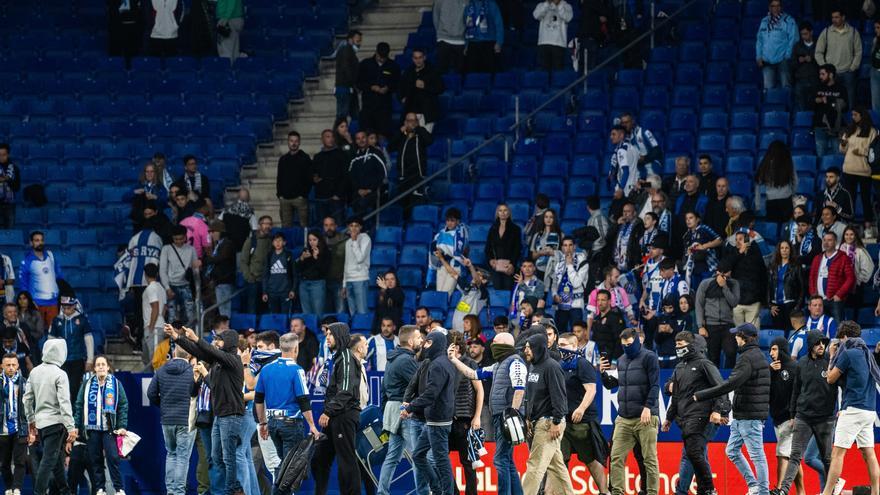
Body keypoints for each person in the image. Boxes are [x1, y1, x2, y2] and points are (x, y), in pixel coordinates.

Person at [167, 323, 244, 495]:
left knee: (228, 457)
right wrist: (177, 337)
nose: (217, 343)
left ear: (230, 343)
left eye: (220, 340)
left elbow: (211, 351)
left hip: (231, 415)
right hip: (219, 416)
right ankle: (228, 488)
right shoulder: (217, 362)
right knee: (216, 457)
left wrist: (196, 338)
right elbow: (198, 352)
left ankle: (232, 490)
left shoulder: (233, 360)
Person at [695, 323, 771, 495]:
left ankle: (763, 491)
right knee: (732, 451)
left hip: (749, 416)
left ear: (743, 337)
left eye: (737, 335)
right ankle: (754, 486)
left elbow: (730, 384)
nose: (734, 337)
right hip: (742, 415)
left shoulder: (748, 358)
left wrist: (703, 394)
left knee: (757, 456)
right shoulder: (756, 355)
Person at [448, 332, 525, 495]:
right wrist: (454, 360)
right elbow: (473, 374)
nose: (492, 345)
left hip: (507, 417)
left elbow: (520, 389)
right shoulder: (498, 365)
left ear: (504, 344)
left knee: (500, 460)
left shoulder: (515, 362)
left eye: (495, 342)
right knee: (508, 461)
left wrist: (513, 413)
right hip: (500, 417)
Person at [662, 331, 730, 495]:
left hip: (702, 416)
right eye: (676, 344)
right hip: (685, 418)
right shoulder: (679, 367)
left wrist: (717, 411)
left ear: (690, 345)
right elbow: (676, 397)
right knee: (696, 454)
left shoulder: (704, 364)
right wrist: (669, 418)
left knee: (692, 452)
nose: (677, 347)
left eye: (680, 344)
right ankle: (703, 490)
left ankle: (706, 489)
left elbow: (721, 388)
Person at [771, 330, 837, 495]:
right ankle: (784, 490)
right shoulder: (801, 363)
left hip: (825, 419)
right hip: (803, 417)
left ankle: (832, 489)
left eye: (823, 342)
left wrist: (840, 408)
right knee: (795, 456)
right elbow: (796, 391)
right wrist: (793, 415)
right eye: (817, 343)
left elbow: (841, 386)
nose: (821, 345)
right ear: (810, 345)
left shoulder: (830, 362)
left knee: (827, 459)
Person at [821, 321, 880, 495]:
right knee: (869, 454)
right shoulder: (867, 353)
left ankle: (826, 493)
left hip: (853, 409)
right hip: (869, 410)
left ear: (845, 337)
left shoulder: (848, 353)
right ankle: (876, 492)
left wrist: (832, 355)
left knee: (837, 454)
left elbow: (830, 378)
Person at [254, 332, 320, 487]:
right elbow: (303, 400)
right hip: (290, 423)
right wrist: (312, 425)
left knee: (284, 466)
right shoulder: (296, 370)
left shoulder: (266, 369)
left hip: (272, 423)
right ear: (295, 348)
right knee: (290, 471)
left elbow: (258, 399)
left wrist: (263, 423)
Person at [599, 328, 660, 495]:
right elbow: (613, 385)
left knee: (649, 459)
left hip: (645, 417)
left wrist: (648, 407)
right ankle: (617, 492)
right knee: (616, 457)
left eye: (629, 344)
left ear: (637, 341)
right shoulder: (621, 360)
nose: (627, 347)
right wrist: (603, 374)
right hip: (624, 418)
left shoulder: (649, 357)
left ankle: (652, 492)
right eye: (624, 345)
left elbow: (655, 385)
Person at [518, 333, 574, 495]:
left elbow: (560, 397)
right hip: (538, 420)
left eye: (529, 347)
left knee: (535, 465)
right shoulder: (534, 366)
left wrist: (557, 421)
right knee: (557, 468)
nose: (526, 350)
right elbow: (532, 396)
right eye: (526, 347)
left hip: (549, 422)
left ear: (539, 348)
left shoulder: (552, 367)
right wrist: (528, 417)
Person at [402, 332, 457, 495]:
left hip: (438, 421)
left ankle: (446, 493)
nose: (424, 346)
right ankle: (437, 488)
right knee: (418, 455)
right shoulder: (442, 362)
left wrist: (410, 407)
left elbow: (431, 394)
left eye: (427, 343)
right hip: (434, 419)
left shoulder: (438, 365)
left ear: (435, 344)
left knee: (441, 461)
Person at [312, 323, 363, 495]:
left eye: (331, 335)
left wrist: (328, 411)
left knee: (346, 460)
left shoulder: (347, 357)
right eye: (326, 334)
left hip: (345, 414)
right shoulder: (336, 357)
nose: (327, 338)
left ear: (340, 336)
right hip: (334, 415)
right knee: (319, 460)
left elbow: (346, 390)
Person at [23, 340, 77, 495]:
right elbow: (64, 402)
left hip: (41, 424)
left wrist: (31, 420)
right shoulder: (61, 374)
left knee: (56, 460)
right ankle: (39, 492)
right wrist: (71, 427)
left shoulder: (34, 372)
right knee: (48, 461)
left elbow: (26, 400)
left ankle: (65, 491)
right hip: (56, 423)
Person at [556, 333, 607, 493]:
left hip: (582, 422)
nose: (560, 348)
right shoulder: (558, 364)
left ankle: (604, 492)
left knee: (591, 460)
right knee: (560, 462)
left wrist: (581, 408)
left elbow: (591, 390)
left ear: (575, 346)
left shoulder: (583, 364)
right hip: (563, 422)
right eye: (559, 344)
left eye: (564, 345)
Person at [377, 326, 423, 495]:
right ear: (410, 341)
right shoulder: (405, 360)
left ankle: (382, 492)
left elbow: (383, 390)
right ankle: (423, 492)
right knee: (418, 457)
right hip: (404, 411)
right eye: (419, 338)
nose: (421, 341)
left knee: (393, 456)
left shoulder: (393, 358)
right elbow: (420, 386)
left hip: (392, 410)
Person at [73, 355, 128, 495]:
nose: (101, 367)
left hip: (110, 428)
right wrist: (77, 426)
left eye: (103, 364)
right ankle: (100, 488)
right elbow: (79, 405)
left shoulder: (116, 384)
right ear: (94, 369)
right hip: (92, 428)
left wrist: (122, 425)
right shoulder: (87, 384)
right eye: (98, 365)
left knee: (113, 457)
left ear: (108, 367)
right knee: (95, 458)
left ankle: (119, 488)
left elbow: (123, 405)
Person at [147, 344, 196, 495]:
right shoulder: (191, 371)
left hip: (167, 419)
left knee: (171, 454)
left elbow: (151, 393)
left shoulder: (161, 370)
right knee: (182, 457)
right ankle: (179, 492)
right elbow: (196, 393)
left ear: (174, 352)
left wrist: (163, 406)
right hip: (185, 420)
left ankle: (171, 491)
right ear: (189, 356)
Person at [768, 337, 803, 495]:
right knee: (791, 456)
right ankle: (801, 491)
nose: (771, 353)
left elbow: (800, 394)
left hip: (790, 419)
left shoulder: (795, 368)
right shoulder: (771, 369)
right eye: (770, 350)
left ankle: (780, 489)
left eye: (774, 349)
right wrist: (770, 372)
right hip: (777, 418)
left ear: (782, 349)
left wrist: (795, 414)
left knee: (782, 454)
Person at [695, 257, 741, 368]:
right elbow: (699, 305)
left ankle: (730, 379)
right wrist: (701, 326)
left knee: (731, 352)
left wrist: (724, 286)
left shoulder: (734, 284)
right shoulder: (705, 283)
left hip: (728, 325)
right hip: (711, 325)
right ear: (717, 271)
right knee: (712, 357)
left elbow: (734, 302)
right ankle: (714, 382)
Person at [840, 109, 877, 236]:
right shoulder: (850, 129)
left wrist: (860, 152)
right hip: (848, 169)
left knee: (866, 198)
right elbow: (843, 150)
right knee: (850, 198)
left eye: (855, 114)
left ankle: (868, 227)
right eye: (852, 114)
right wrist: (843, 144)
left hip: (864, 170)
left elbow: (874, 151)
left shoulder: (872, 131)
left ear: (862, 115)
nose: (853, 117)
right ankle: (849, 227)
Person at [49, 295, 94, 399]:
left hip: (77, 359)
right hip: (60, 360)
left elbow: (89, 340)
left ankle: (73, 412)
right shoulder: (57, 320)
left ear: (74, 306)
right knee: (60, 387)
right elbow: (50, 341)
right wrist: (50, 359)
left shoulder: (82, 319)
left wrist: (90, 360)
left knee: (74, 387)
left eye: (68, 307)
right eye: (64, 307)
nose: (66, 309)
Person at [815, 9, 861, 107]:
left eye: (836, 17)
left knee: (849, 102)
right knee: (831, 103)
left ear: (843, 17)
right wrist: (825, 68)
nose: (834, 20)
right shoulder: (826, 31)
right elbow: (818, 52)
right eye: (832, 17)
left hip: (848, 73)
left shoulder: (853, 32)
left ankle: (849, 121)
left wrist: (852, 68)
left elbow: (858, 52)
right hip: (831, 74)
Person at [388, 113, 434, 213]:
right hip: (403, 177)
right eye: (409, 121)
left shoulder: (420, 135)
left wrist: (418, 128)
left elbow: (429, 140)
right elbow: (390, 147)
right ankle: (404, 227)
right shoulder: (402, 137)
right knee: (403, 206)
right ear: (405, 122)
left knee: (415, 205)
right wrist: (400, 132)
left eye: (414, 121)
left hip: (417, 176)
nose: (411, 123)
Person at [17, 232, 62, 328]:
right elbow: (23, 285)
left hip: (53, 302)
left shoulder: (51, 256)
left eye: (41, 240)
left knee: (54, 334)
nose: (40, 243)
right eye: (37, 240)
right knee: (37, 333)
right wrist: (30, 302)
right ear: (31, 243)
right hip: (36, 303)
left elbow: (59, 276)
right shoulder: (27, 261)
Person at [357, 42, 400, 139]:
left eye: (384, 57)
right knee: (367, 133)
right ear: (376, 52)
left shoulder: (393, 66)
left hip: (384, 108)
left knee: (383, 134)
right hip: (368, 106)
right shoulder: (365, 64)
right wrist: (371, 87)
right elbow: (359, 83)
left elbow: (397, 84)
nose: (381, 59)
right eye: (380, 56)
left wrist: (388, 88)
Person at [808, 232, 853, 321]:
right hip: (819, 301)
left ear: (835, 242)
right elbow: (812, 278)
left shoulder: (843, 258)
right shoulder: (817, 258)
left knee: (838, 328)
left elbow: (850, 278)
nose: (826, 243)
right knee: (821, 328)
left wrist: (839, 294)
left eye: (829, 240)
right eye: (824, 240)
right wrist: (813, 293)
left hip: (834, 301)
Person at [160, 225, 199, 325]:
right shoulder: (166, 249)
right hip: (171, 286)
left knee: (189, 316)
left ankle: (189, 339)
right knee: (172, 317)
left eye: (181, 239)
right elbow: (162, 270)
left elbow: (195, 270)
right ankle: (172, 339)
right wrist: (167, 288)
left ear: (185, 237)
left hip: (186, 285)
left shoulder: (191, 249)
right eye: (176, 239)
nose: (178, 241)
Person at [549, 237, 590, 332]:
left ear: (575, 246)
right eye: (565, 245)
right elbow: (555, 282)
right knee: (560, 333)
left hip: (576, 304)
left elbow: (576, 283)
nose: (568, 248)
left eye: (570, 245)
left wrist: (570, 265)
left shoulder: (583, 261)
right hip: (561, 304)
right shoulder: (559, 263)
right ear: (562, 248)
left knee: (576, 334)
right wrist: (554, 294)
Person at [755, 0, 798, 89]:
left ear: (781, 7)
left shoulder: (789, 20)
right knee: (768, 89)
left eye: (778, 6)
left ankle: (786, 102)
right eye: (773, 6)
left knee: (786, 87)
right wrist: (759, 56)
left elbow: (794, 39)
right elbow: (759, 40)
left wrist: (787, 56)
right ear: (769, 8)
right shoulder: (764, 21)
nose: (776, 8)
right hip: (766, 60)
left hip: (783, 59)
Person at [0, 352, 26, 495]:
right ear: (2, 366)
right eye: (7, 365)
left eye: (13, 365)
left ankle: (17, 488)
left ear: (17, 366)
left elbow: (30, 408)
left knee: (20, 461)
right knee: (4, 463)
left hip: (19, 427)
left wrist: (31, 429)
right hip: (2, 428)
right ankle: (9, 487)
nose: (10, 367)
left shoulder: (24, 382)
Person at [399, 50, 444, 130]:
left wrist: (425, 86)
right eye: (415, 58)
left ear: (424, 58)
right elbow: (400, 88)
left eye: (420, 57)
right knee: (410, 139)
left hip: (427, 112)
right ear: (412, 59)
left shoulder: (432, 71)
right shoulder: (408, 72)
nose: (418, 60)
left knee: (425, 139)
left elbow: (440, 88)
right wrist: (402, 97)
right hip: (411, 111)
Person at [276, 131, 313, 229]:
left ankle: (305, 244)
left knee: (304, 227)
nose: (293, 143)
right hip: (285, 199)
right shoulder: (283, 159)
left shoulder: (305, 158)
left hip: (300, 199)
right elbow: (279, 178)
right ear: (288, 142)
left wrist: (303, 194)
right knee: (285, 227)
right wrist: (280, 195)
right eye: (291, 141)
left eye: (296, 141)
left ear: (299, 142)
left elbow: (309, 178)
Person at [755, 141, 798, 222]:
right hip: (786, 200)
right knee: (786, 228)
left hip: (771, 202)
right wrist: (793, 193)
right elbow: (795, 180)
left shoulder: (765, 163)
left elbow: (757, 184)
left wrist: (758, 205)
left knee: (772, 227)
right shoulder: (788, 161)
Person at [348, 131, 388, 218]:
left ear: (367, 139)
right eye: (358, 138)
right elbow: (351, 177)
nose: (361, 140)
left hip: (375, 191)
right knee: (353, 203)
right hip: (359, 192)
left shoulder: (376, 153)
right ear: (355, 141)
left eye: (363, 137)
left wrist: (370, 189)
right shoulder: (354, 157)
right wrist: (358, 190)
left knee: (363, 205)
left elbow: (383, 173)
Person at [312, 131, 348, 225]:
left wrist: (338, 194)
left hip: (336, 198)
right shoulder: (317, 157)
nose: (330, 139)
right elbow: (314, 174)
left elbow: (345, 176)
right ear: (322, 139)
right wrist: (314, 178)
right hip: (321, 198)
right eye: (327, 137)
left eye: (332, 137)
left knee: (338, 225)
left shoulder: (341, 155)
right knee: (321, 226)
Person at [238, 216, 272, 315]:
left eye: (270, 224)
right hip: (253, 280)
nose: (268, 226)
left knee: (264, 308)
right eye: (265, 224)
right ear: (259, 225)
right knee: (252, 308)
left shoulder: (271, 241)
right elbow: (243, 261)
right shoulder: (251, 241)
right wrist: (249, 277)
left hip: (267, 280)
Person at [768, 240, 805, 331]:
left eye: (786, 248)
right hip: (776, 307)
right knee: (778, 335)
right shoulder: (773, 266)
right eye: (782, 248)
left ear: (790, 250)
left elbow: (802, 288)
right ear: (779, 250)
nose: (784, 250)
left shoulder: (796, 266)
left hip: (790, 305)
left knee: (790, 333)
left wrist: (797, 307)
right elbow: (768, 287)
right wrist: (770, 305)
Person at [813, 64, 849, 157]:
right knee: (821, 157)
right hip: (820, 126)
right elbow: (810, 103)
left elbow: (846, 107)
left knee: (838, 156)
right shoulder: (817, 87)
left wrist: (833, 102)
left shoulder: (841, 88)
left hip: (837, 127)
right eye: (820, 74)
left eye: (823, 74)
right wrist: (819, 100)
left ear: (831, 75)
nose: (820, 76)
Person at [485, 203, 522, 291]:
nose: (503, 213)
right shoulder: (493, 229)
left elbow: (517, 249)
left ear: (509, 213)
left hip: (509, 266)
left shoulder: (516, 229)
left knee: (508, 290)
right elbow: (487, 248)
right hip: (496, 266)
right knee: (497, 291)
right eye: (500, 210)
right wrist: (490, 260)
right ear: (497, 213)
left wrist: (512, 264)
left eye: (505, 210)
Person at [841, 225, 876, 318]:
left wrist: (858, 279)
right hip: (841, 286)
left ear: (856, 236)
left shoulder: (860, 250)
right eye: (846, 234)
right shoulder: (839, 249)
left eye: (851, 234)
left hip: (855, 286)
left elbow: (868, 267)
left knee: (854, 311)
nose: (849, 237)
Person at [433, 208, 470, 294]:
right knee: (439, 293)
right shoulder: (441, 233)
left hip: (455, 267)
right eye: (447, 220)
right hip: (442, 266)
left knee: (447, 294)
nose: (449, 223)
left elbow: (462, 251)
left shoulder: (462, 234)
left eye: (452, 220)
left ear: (457, 221)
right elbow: (435, 247)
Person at [205, 220, 236, 319]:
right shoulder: (218, 245)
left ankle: (226, 330)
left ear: (220, 232)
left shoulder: (227, 244)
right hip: (218, 281)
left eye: (213, 231)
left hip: (225, 281)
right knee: (220, 307)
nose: (211, 234)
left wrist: (206, 259)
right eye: (210, 232)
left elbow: (220, 258)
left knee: (224, 308)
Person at [463, 0, 504, 73]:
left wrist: (499, 42)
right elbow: (466, 27)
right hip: (473, 43)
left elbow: (499, 24)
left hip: (489, 42)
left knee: (488, 72)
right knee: (472, 73)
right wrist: (466, 44)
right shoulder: (468, 6)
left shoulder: (491, 4)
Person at [449, 258, 489, 332]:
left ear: (484, 281)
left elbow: (478, 282)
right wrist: (441, 258)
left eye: (478, 275)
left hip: (468, 331)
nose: (474, 276)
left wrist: (470, 266)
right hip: (455, 329)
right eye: (475, 274)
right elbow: (453, 274)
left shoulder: (483, 294)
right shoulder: (466, 288)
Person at [297, 230, 331, 315]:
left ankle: (319, 328)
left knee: (318, 312)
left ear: (319, 240)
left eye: (314, 240)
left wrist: (317, 258)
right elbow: (298, 269)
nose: (312, 242)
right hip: (304, 283)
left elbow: (324, 270)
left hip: (317, 284)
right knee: (306, 313)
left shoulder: (326, 252)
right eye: (310, 240)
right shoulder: (306, 251)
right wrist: (302, 259)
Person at [533, 0, 573, 71]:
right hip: (543, 43)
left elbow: (568, 18)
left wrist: (558, 5)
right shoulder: (541, 5)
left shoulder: (566, 6)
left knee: (557, 73)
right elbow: (536, 15)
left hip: (559, 44)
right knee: (543, 73)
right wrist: (547, 4)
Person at [342, 217, 371, 316]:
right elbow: (347, 263)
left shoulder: (365, 238)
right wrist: (344, 284)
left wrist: (354, 241)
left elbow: (360, 258)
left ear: (360, 227)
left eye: (356, 226)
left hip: (360, 278)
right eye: (351, 226)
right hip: (349, 279)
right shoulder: (347, 242)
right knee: (352, 312)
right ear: (348, 227)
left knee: (362, 311)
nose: (353, 228)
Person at [142, 263, 167, 367]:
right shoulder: (161, 288)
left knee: (155, 360)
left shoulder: (150, 288)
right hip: (158, 325)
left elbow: (155, 307)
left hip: (154, 327)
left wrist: (151, 327)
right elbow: (164, 307)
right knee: (150, 360)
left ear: (145, 274)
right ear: (157, 274)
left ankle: (158, 383)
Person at [528, 209, 562, 285]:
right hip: (539, 270)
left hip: (554, 270)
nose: (548, 219)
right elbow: (533, 256)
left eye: (551, 217)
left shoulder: (560, 235)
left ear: (554, 219)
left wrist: (553, 253)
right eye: (546, 217)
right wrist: (540, 253)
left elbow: (563, 255)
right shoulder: (537, 235)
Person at [335, 31, 362, 120]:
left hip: (348, 87)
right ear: (350, 40)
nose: (359, 43)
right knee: (342, 116)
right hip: (345, 87)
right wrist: (354, 83)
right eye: (357, 41)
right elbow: (346, 69)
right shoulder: (346, 50)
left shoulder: (349, 51)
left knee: (353, 114)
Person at [609, 124, 640, 198]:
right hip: (634, 187)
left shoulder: (622, 150)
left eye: (614, 134)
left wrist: (620, 189)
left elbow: (626, 171)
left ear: (621, 135)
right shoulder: (634, 148)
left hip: (626, 190)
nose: (611, 137)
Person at [0, 144, 20, 230]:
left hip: (9, 204)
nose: (1, 157)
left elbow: (17, 187)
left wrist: (7, 180)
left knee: (10, 232)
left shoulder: (14, 168)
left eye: (3, 155)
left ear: (8, 155)